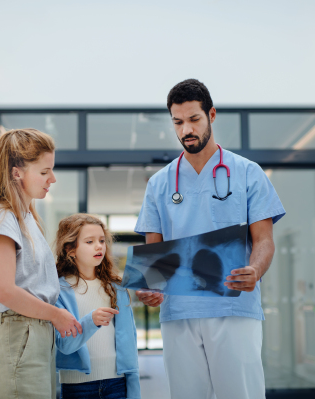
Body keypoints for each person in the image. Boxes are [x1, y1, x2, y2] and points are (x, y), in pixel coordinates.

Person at [134, 79, 286, 399]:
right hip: (178, 313)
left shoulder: (248, 173)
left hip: (234, 308)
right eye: (178, 122)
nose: (186, 129)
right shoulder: (159, 184)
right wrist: (150, 286)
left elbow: (264, 241)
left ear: (211, 115)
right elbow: (154, 255)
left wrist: (255, 270)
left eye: (194, 119)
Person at [0, 128, 82, 399]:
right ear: (16, 172)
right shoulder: (1, 218)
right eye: (44, 172)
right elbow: (5, 291)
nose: (52, 179)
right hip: (18, 336)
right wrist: (56, 315)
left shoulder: (28, 218)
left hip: (35, 335)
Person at [53, 214, 140, 399]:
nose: (99, 246)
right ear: (70, 249)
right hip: (77, 387)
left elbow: (129, 340)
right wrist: (90, 322)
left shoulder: (117, 287)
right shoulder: (58, 290)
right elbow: (64, 345)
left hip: (118, 382)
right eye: (89, 241)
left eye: (101, 240)